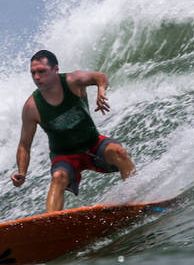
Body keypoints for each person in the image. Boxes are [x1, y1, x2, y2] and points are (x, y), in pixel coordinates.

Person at [10, 50, 136, 212]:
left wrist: (101, 90)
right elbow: (24, 145)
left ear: (55, 69)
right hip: (64, 156)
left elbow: (100, 77)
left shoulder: (73, 81)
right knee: (58, 177)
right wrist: (22, 172)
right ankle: (52, 223)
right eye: (33, 73)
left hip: (92, 145)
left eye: (41, 71)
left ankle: (134, 198)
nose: (36, 77)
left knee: (119, 152)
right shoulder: (31, 107)